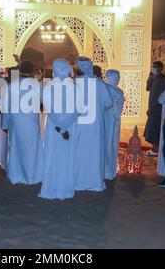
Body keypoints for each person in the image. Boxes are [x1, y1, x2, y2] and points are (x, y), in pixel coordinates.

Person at [39, 59, 80, 200]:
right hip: (70, 127)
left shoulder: (48, 87)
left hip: (54, 128)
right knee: (67, 157)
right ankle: (66, 189)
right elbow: (78, 110)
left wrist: (60, 128)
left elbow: (49, 111)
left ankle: (51, 188)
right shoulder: (75, 87)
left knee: (52, 156)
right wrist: (65, 126)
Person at [74, 57, 113, 192]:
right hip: (95, 126)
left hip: (77, 125)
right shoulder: (100, 83)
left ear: (81, 68)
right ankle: (94, 182)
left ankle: (77, 181)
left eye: (77, 67)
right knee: (94, 154)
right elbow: (109, 103)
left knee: (78, 153)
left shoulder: (74, 83)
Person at [1, 61, 43, 185]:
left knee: (16, 148)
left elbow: (5, 106)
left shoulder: (10, 85)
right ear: (31, 71)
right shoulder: (36, 84)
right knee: (32, 149)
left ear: (19, 70)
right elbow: (43, 100)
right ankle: (33, 175)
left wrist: (5, 124)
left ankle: (16, 175)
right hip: (31, 121)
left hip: (16, 122)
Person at [144, 61, 165, 156]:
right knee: (151, 128)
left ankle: (155, 150)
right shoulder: (155, 78)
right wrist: (150, 77)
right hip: (152, 107)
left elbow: (160, 96)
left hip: (157, 108)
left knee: (155, 128)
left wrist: (152, 107)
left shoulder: (163, 79)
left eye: (155, 67)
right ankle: (154, 149)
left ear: (160, 68)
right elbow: (147, 88)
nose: (153, 68)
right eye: (152, 67)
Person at [104, 69, 124, 180]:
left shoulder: (104, 89)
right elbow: (117, 112)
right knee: (110, 144)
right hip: (112, 121)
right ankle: (109, 171)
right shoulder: (117, 92)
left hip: (109, 121)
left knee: (108, 144)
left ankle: (107, 170)